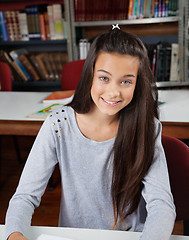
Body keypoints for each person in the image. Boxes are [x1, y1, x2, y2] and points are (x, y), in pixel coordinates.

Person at [5, 26, 176, 240]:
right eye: (104, 78)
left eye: (126, 81)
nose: (114, 92)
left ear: (137, 84)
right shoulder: (58, 125)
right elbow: (24, 196)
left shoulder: (147, 128)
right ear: (90, 75)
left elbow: (161, 204)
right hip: (74, 235)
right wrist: (14, 235)